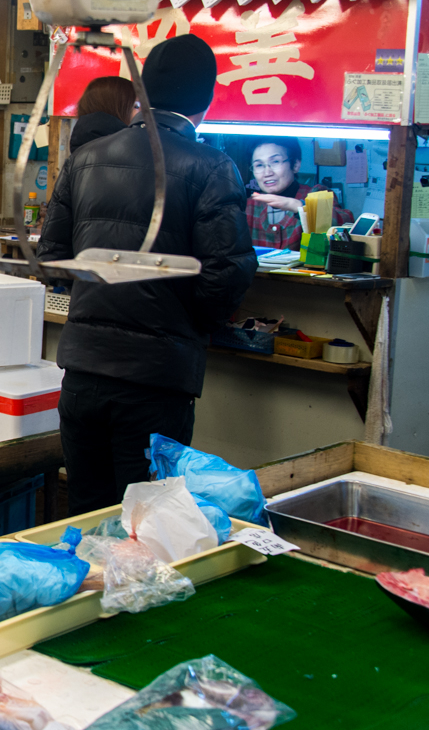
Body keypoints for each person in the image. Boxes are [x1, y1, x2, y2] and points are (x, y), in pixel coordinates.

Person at [34, 34, 258, 515]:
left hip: (82, 375)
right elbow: (227, 273)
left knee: (88, 511)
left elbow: (52, 255)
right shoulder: (212, 167)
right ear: (206, 103)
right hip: (157, 381)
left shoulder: (84, 158)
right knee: (147, 522)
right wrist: (189, 318)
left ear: (140, 95)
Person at [246, 136, 354, 249]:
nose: (267, 172)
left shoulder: (317, 194)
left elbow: (345, 224)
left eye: (275, 162)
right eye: (259, 165)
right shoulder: (248, 206)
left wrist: (298, 206)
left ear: (295, 165)